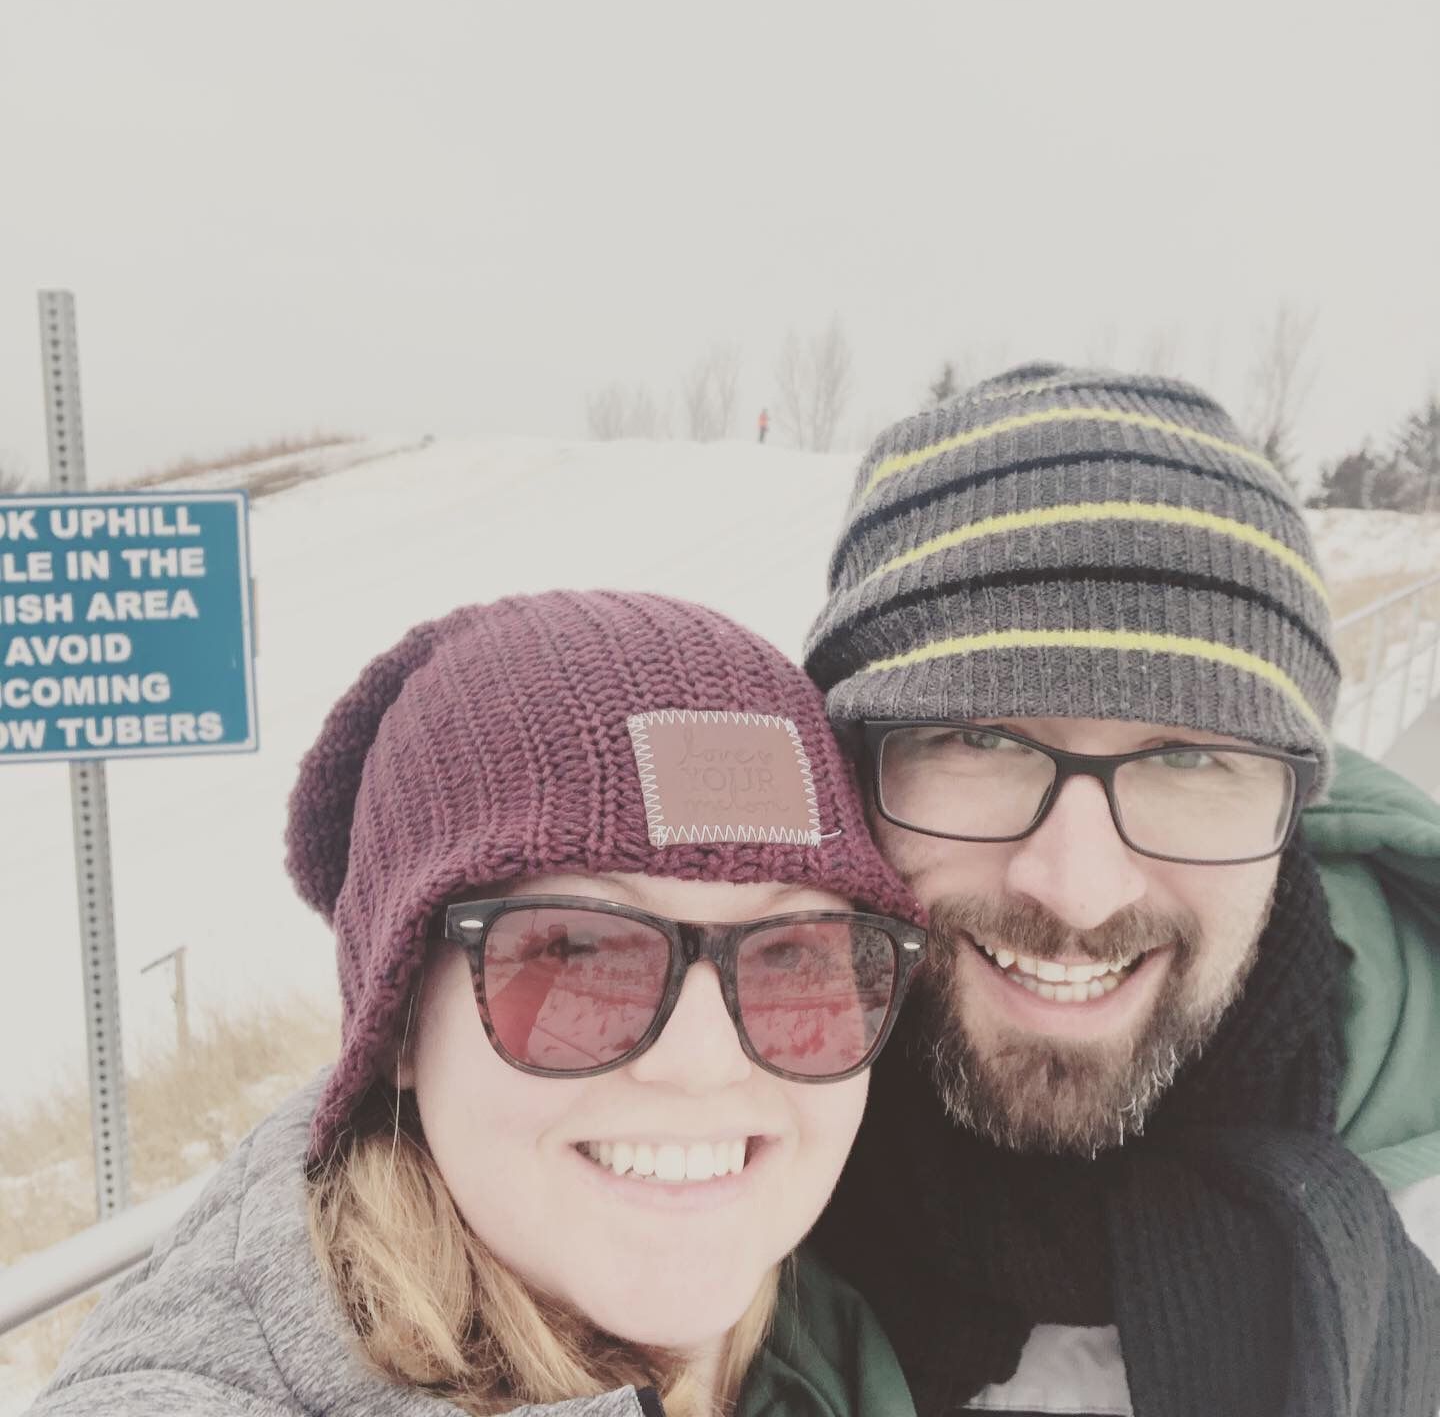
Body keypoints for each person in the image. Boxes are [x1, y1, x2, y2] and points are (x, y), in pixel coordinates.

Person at [28, 591, 928, 1417]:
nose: (701, 1061)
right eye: (579, 952)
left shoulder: (837, 1331)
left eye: (794, 957)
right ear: (400, 1026)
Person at [803, 364, 1440, 1416]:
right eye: (983, 737)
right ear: (852, 770)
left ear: (1295, 805)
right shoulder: (687, 1150)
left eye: (1187, 758)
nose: (1079, 891)